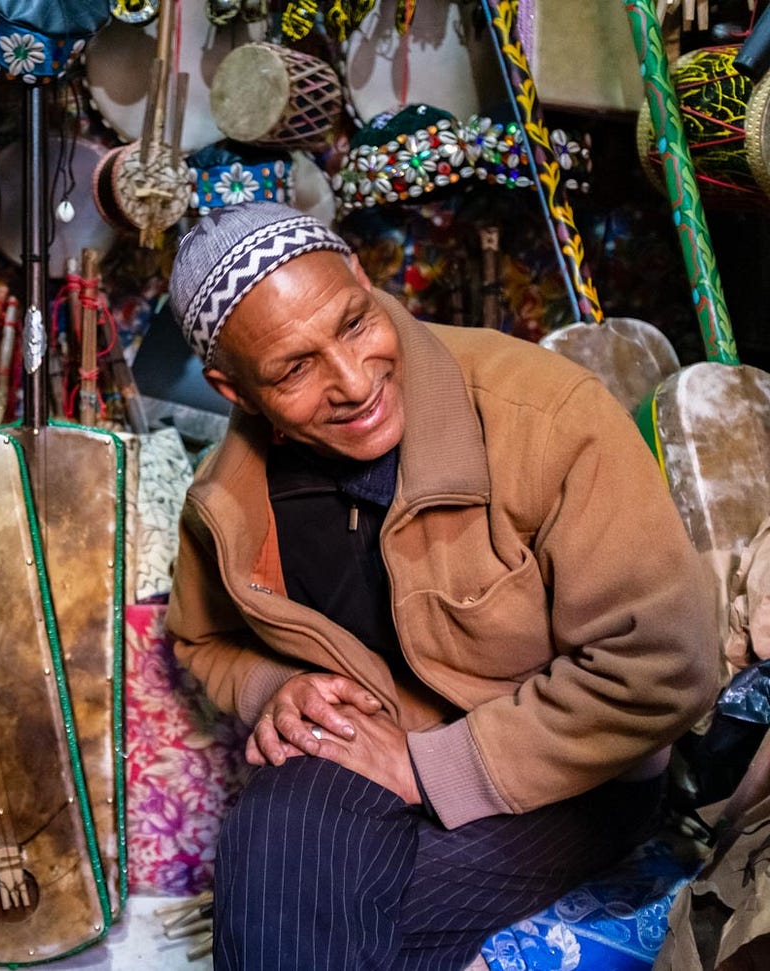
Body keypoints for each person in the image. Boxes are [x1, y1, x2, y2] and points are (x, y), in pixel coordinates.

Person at [165, 202, 719, 971]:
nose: (354, 383)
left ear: (362, 275)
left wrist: (431, 767)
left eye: (356, 323)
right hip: (367, 750)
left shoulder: (545, 415)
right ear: (233, 389)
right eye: (294, 369)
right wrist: (274, 686)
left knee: (332, 934)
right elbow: (201, 637)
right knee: (273, 847)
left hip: (569, 772)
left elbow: (668, 664)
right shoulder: (228, 497)